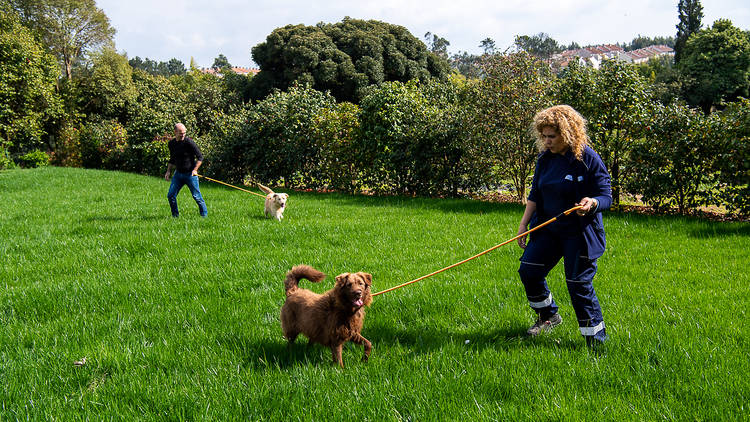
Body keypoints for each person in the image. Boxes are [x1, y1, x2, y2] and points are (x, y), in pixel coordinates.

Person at [516, 105, 611, 348]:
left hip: (579, 233)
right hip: (548, 229)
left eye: (552, 136)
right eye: (544, 136)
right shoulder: (544, 159)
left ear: (568, 134)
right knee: (529, 271)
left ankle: (595, 342)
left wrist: (591, 203)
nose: (547, 141)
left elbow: (605, 196)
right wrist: (524, 224)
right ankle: (549, 317)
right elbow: (536, 194)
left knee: (578, 284)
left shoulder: (587, 158)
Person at [164, 123, 207, 217]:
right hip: (178, 175)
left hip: (190, 175)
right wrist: (168, 171)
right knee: (171, 195)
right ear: (175, 132)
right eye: (180, 133)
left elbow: (200, 157)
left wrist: (195, 170)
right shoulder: (171, 144)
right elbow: (172, 158)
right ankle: (175, 216)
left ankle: (204, 216)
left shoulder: (189, 143)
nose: (183, 135)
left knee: (197, 197)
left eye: (184, 133)